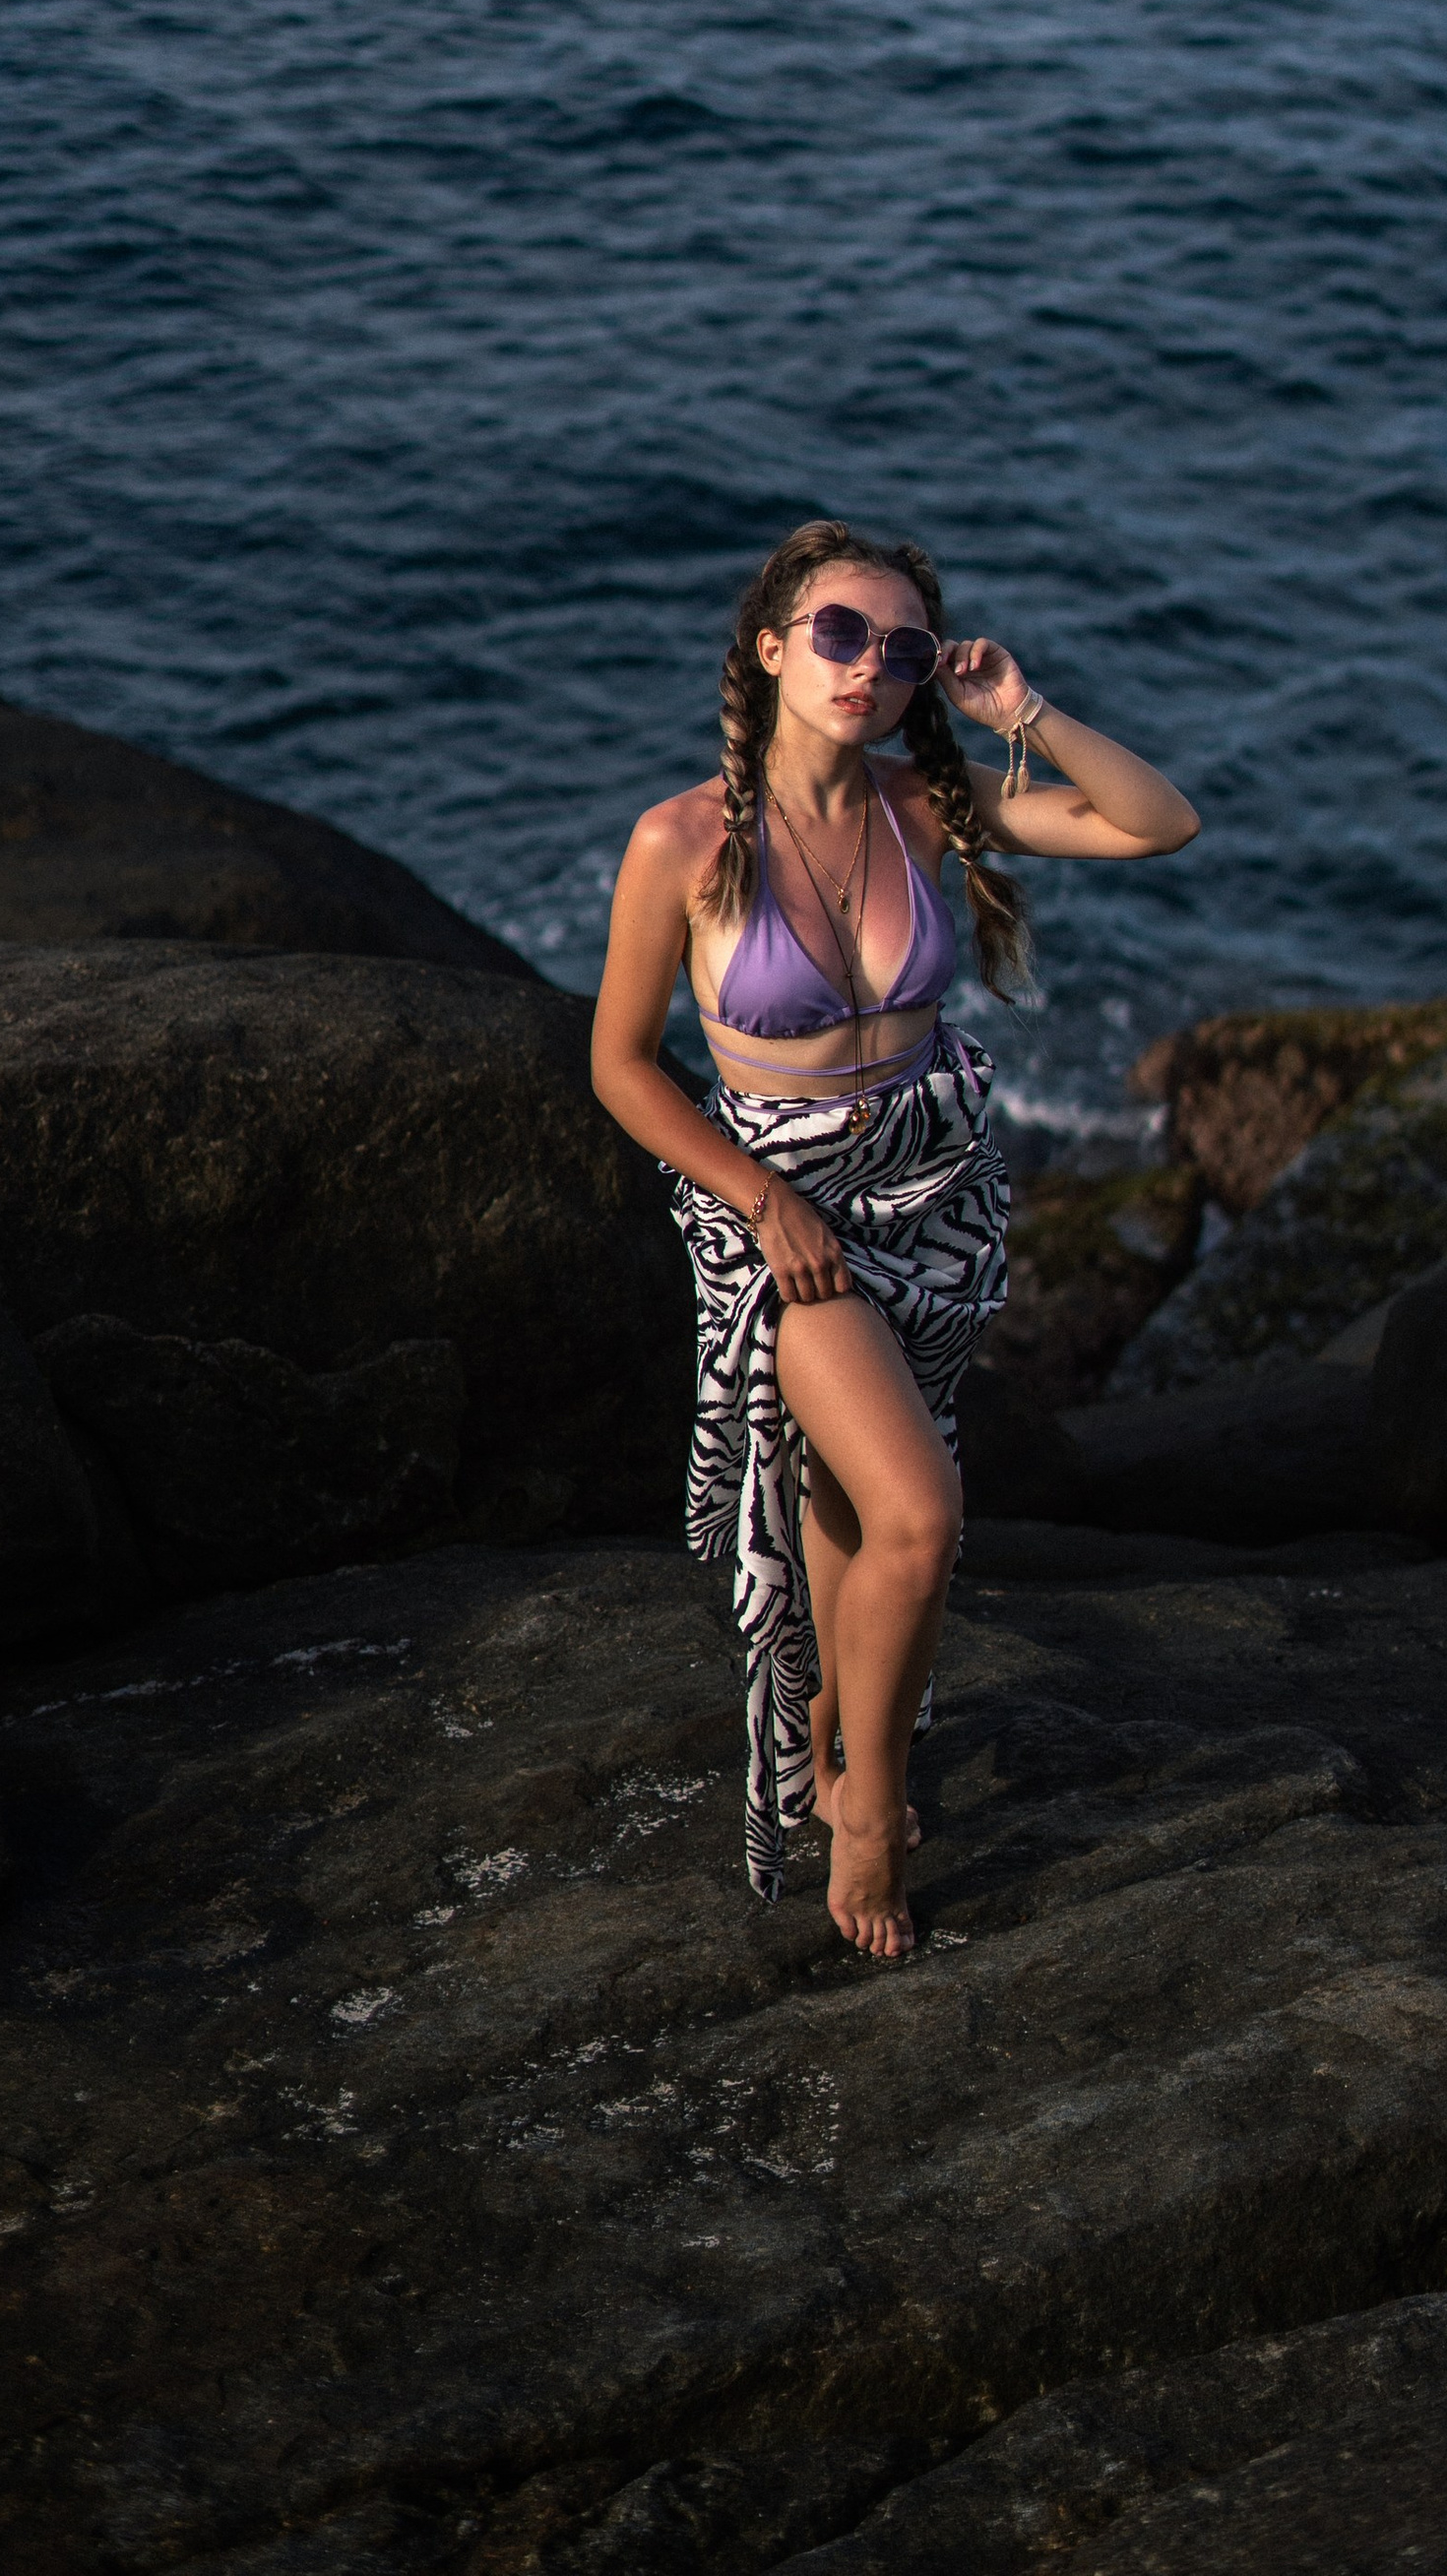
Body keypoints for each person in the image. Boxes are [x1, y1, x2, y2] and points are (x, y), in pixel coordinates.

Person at [593, 519, 1200, 1959]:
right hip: (784, 1222)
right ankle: (866, 1809)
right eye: (841, 634)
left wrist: (1020, 715)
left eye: (902, 647)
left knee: (860, 1516)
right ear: (772, 650)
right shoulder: (679, 844)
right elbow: (621, 1064)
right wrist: (762, 1200)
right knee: (920, 1517)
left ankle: (831, 1721)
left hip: (934, 1199)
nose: (870, 666)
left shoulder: (932, 811)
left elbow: (1155, 822)